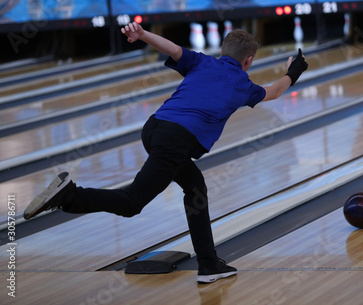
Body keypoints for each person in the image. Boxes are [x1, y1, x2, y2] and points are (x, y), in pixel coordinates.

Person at [24, 22, 308, 284]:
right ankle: (69, 195)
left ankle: (209, 265)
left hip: (154, 128)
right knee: (131, 203)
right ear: (249, 61)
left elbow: (172, 48)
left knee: (195, 188)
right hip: (176, 140)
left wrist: (142, 34)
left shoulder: (201, 61)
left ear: (221, 51)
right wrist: (292, 71)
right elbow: (274, 91)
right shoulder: (243, 85)